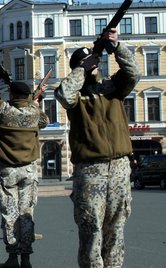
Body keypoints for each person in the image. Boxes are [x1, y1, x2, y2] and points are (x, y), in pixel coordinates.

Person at [54, 28, 139, 268]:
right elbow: (63, 95)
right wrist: (82, 68)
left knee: (116, 228)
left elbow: (134, 74)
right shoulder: (75, 94)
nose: (92, 65)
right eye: (82, 62)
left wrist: (117, 47)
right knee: (91, 229)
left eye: (92, 60)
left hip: (120, 167)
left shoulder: (113, 87)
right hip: (91, 169)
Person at [0, 60, 49, 268]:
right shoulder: (34, 114)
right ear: (28, 97)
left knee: (9, 215)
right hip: (29, 170)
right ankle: (26, 258)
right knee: (26, 213)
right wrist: (37, 100)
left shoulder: (4, 111)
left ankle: (12, 257)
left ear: (11, 95)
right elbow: (44, 121)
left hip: (8, 170)